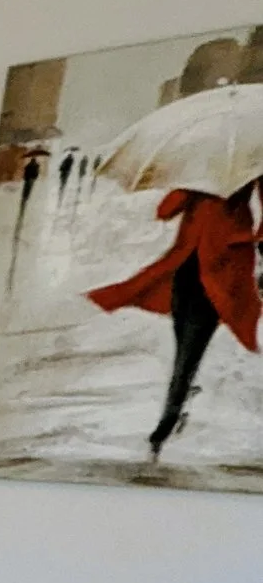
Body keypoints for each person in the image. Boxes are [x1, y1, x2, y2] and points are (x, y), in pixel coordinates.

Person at [86, 179, 261, 453]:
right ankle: (180, 394)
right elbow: (165, 210)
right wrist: (187, 186)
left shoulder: (251, 167)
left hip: (221, 273)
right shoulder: (202, 172)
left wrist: (244, 238)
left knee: (190, 347)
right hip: (185, 267)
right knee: (185, 345)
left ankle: (169, 415)